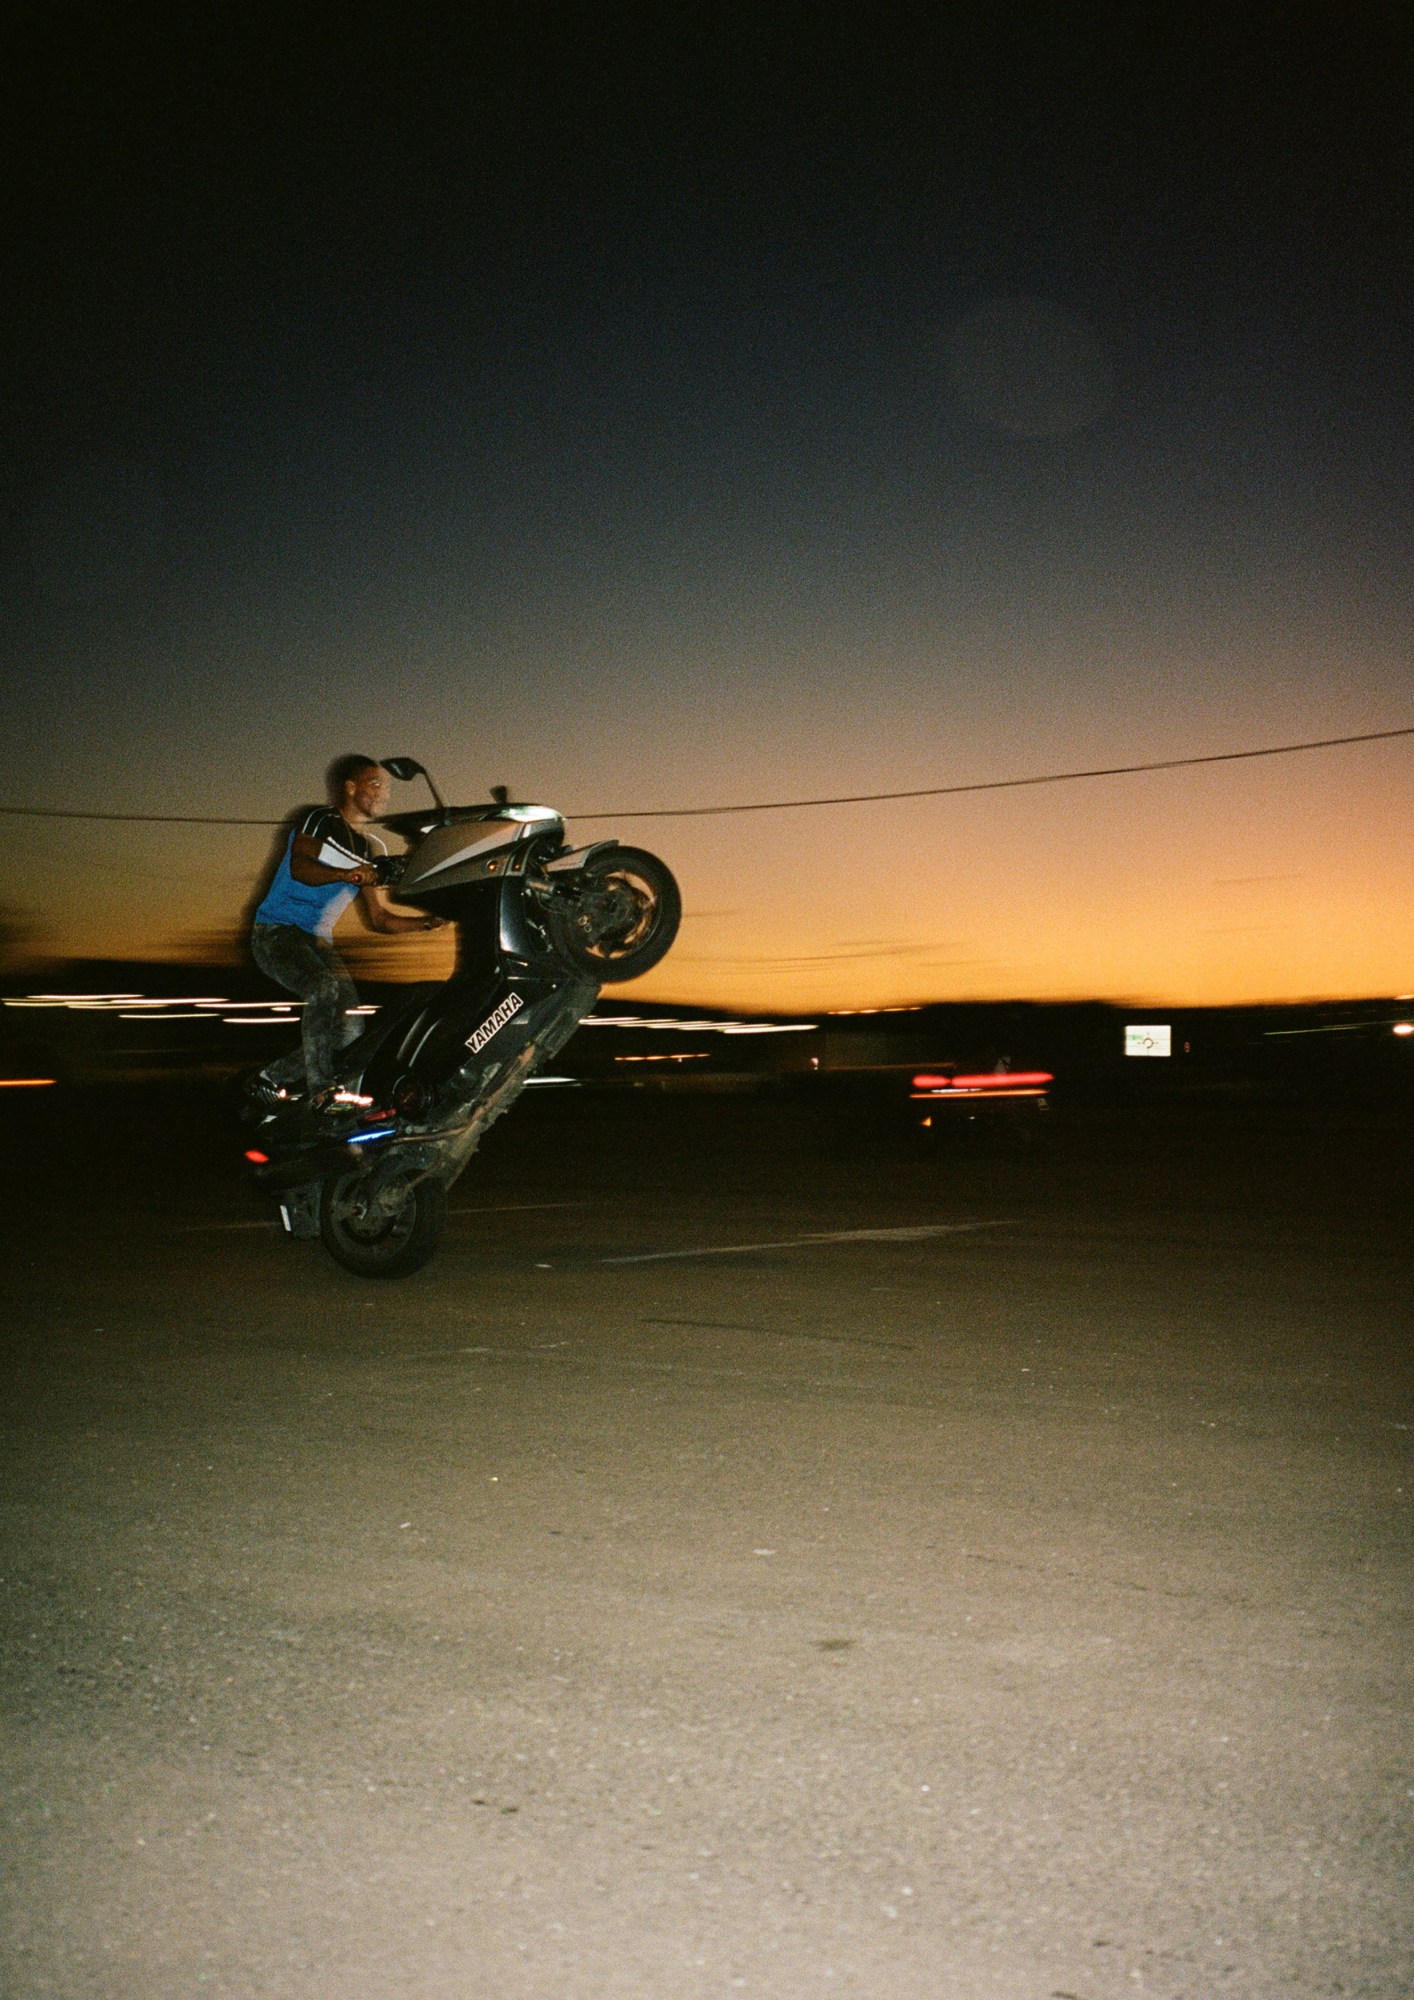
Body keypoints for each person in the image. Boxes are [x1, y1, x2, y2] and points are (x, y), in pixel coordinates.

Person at [250, 754, 442, 1107]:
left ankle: (272, 1079)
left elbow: (380, 919)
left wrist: (427, 923)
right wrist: (345, 875)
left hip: (319, 944)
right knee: (323, 987)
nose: (383, 794)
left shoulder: (368, 852)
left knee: (351, 1032)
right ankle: (322, 1090)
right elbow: (300, 868)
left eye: (385, 788)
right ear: (350, 787)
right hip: (276, 933)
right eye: (375, 785)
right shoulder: (320, 819)